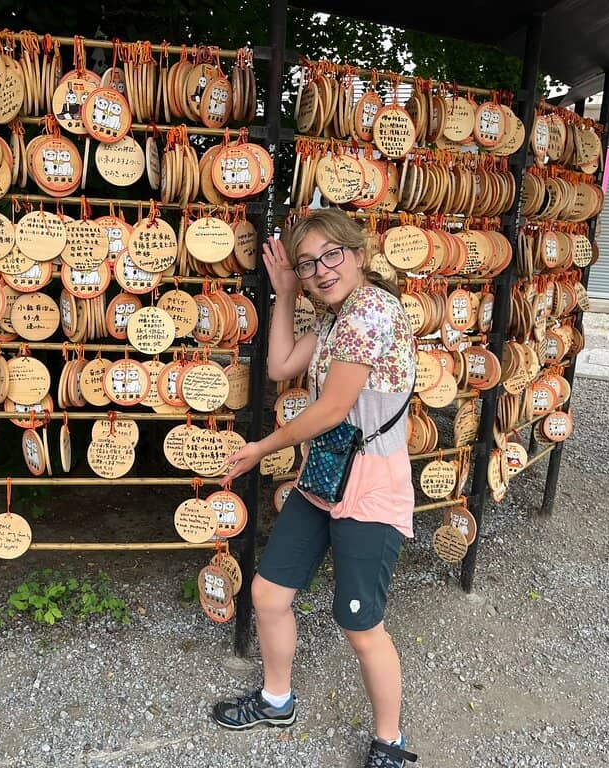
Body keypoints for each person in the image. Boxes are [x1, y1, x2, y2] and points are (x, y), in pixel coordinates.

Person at [212, 208, 419, 767]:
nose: (321, 270)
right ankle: (277, 699)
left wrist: (260, 448)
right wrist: (283, 292)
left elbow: (330, 408)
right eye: (308, 264)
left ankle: (390, 742)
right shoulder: (333, 317)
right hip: (323, 477)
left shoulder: (370, 313)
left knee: (360, 624)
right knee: (268, 594)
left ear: (358, 252)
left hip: (371, 486)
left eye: (331, 255)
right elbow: (280, 365)